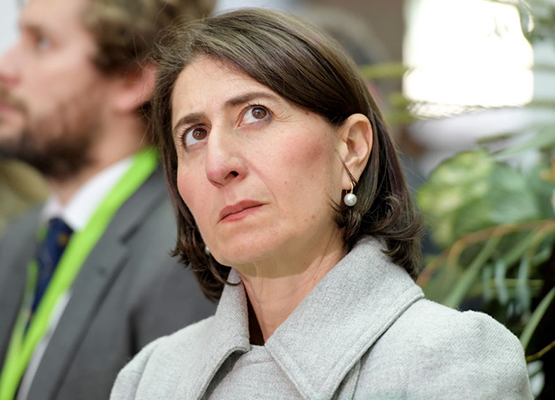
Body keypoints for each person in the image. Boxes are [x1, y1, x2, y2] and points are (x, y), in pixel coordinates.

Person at [111, 8, 533, 399]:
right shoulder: (149, 378)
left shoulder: (449, 362)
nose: (218, 165)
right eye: (195, 135)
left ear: (351, 148)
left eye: (257, 114)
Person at [0, 0, 216, 399]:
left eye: (42, 42)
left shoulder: (182, 251)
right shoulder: (21, 236)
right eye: (19, 37)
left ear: (132, 79)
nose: (5, 67)